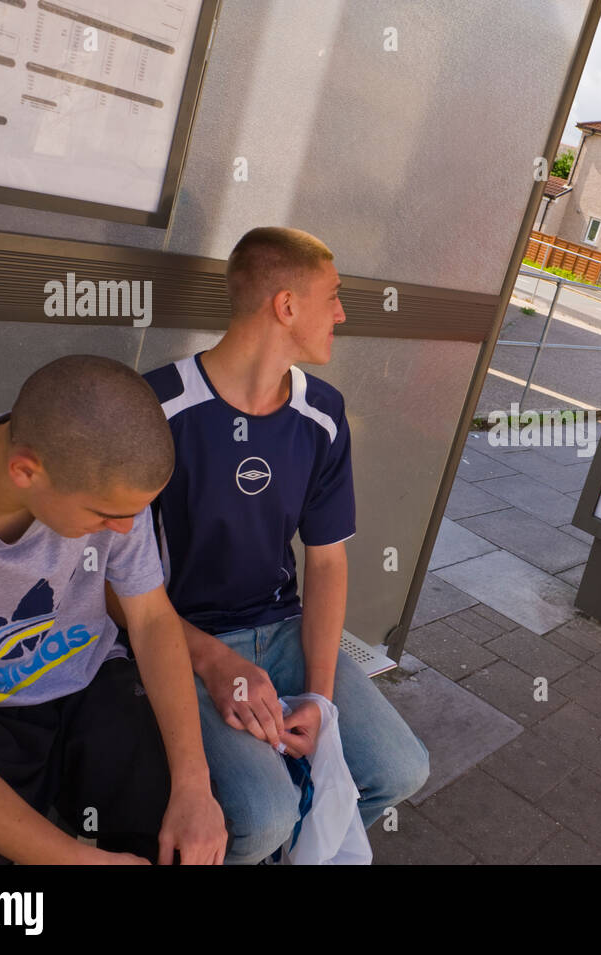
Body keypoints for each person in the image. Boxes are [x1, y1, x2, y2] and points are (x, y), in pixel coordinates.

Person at [125, 227, 429, 864]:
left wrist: (319, 697)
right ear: (286, 306)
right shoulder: (155, 407)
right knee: (262, 817)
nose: (342, 313)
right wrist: (211, 661)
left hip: (283, 631)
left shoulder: (322, 412)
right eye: (334, 296)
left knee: (400, 770)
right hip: (183, 640)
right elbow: (108, 582)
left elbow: (325, 560)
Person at [0, 355, 227, 864]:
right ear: (25, 471)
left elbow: (152, 618)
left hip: (90, 679)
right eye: (106, 515)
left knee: (187, 841)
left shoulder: (108, 481)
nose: (124, 530)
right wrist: (75, 861)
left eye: (132, 516)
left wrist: (194, 786)